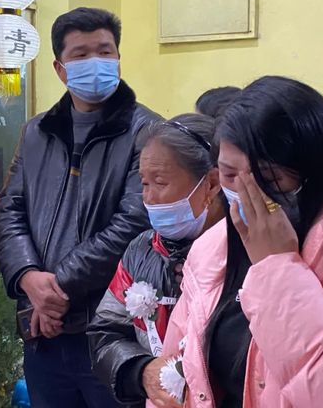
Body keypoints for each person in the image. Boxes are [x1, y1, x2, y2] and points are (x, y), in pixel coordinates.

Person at [143, 76, 323, 408]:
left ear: (314, 176)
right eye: (230, 175)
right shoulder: (211, 248)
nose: (246, 192)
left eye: (269, 179)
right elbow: (180, 373)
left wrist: (277, 269)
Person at [0, 7, 161, 407]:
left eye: (104, 51)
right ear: (60, 68)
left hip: (111, 331)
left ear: (118, 58)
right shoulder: (36, 132)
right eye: (81, 54)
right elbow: (9, 211)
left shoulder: (149, 132)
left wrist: (56, 289)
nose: (95, 62)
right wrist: (28, 278)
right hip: (44, 333)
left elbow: (134, 222)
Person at [88, 113, 224, 407]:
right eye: (144, 183)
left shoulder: (244, 255)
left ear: (212, 183)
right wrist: (141, 371)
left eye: (159, 182)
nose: (147, 198)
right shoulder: (142, 250)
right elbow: (106, 330)